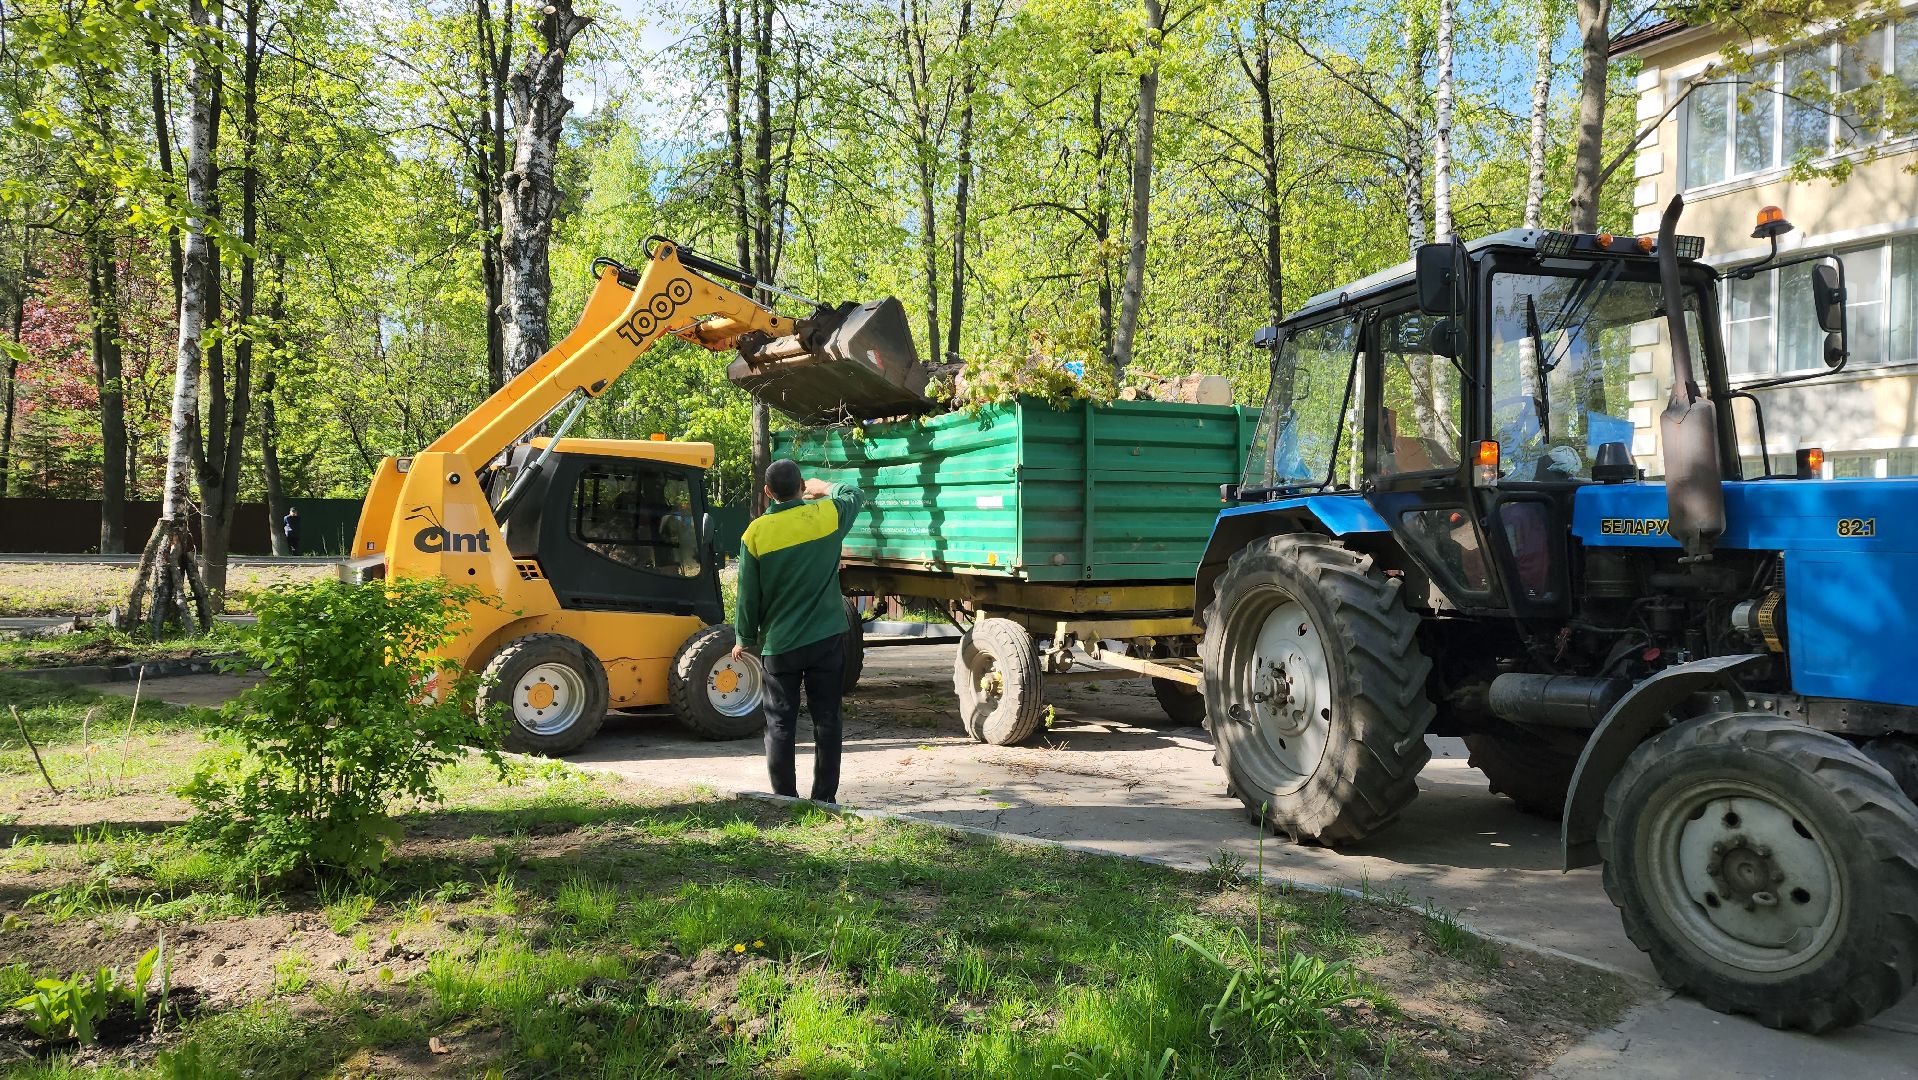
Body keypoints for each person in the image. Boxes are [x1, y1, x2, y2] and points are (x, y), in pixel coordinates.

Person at [733, 459, 864, 804]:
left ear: (767, 493)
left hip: (780, 644)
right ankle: (824, 798)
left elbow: (748, 595)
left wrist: (744, 638)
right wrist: (825, 487)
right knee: (827, 719)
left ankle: (785, 799)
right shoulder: (826, 516)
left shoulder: (755, 534)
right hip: (826, 639)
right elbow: (855, 493)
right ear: (802, 485)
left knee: (779, 722)